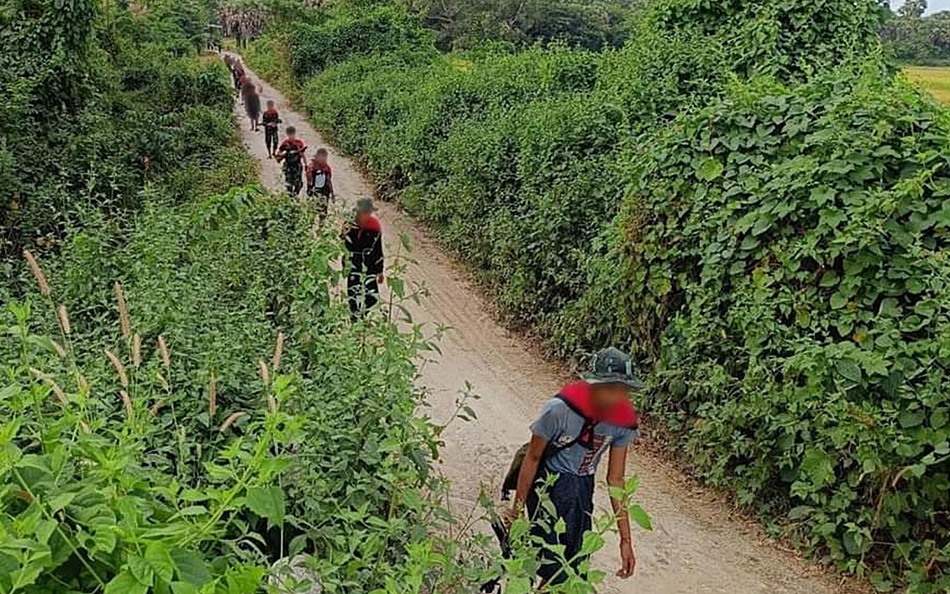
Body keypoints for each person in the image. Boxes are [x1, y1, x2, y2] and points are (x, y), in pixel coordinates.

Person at [507, 347, 643, 586]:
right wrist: (517, 509)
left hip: (582, 490)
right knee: (546, 563)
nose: (617, 398)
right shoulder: (558, 410)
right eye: (610, 388)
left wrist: (625, 539)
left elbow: (616, 480)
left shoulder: (622, 422)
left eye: (623, 391)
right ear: (593, 384)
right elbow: (533, 458)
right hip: (547, 486)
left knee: (574, 567)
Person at [342, 198, 384, 320]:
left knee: (371, 296)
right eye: (363, 212)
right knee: (353, 292)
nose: (365, 215)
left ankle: (364, 314)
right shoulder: (350, 225)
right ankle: (354, 318)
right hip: (354, 263)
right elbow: (343, 245)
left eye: (368, 212)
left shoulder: (374, 227)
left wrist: (380, 270)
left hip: (369, 264)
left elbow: (378, 249)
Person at [275, 126, 307, 196]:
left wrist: (305, 164)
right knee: (289, 183)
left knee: (298, 183)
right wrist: (286, 153)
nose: (291, 136)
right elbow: (278, 153)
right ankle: (290, 197)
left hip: (297, 165)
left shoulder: (299, 143)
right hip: (288, 165)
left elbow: (302, 154)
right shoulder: (285, 143)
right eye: (290, 134)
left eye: (292, 134)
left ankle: (295, 195)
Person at [306, 148, 335, 223]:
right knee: (312, 210)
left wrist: (332, 193)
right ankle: (310, 225)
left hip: (324, 192)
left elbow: (328, 180)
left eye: (325, 157)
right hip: (314, 192)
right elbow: (309, 181)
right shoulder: (312, 167)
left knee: (323, 212)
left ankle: (320, 228)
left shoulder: (326, 168)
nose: (324, 159)